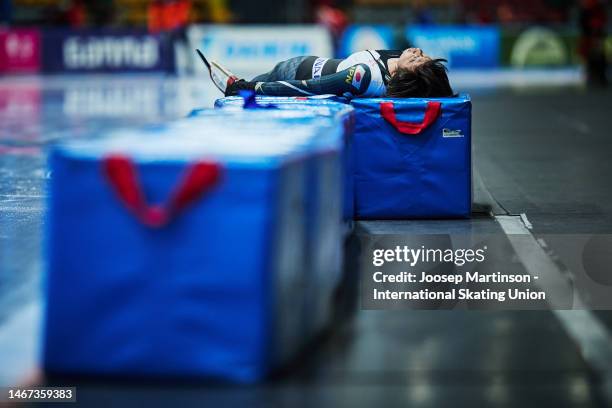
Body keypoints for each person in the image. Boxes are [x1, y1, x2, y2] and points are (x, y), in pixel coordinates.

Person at [224, 48, 454, 98]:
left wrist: (253, 88)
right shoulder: (398, 60)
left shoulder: (366, 76)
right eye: (425, 56)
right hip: (302, 64)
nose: (419, 51)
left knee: (241, 93)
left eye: (418, 59)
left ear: (408, 77)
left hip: (292, 72)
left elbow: (306, 86)